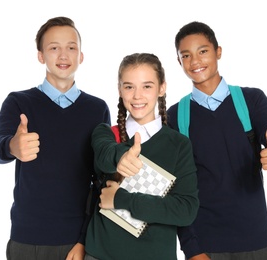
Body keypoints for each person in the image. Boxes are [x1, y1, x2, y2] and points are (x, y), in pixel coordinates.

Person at [167, 21, 267, 260]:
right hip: (205, 245)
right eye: (186, 55)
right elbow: (176, 189)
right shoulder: (175, 116)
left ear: (218, 52)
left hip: (255, 240)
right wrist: (191, 248)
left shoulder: (251, 100)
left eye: (203, 51)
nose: (195, 61)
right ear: (179, 61)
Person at [0, 16, 111, 260]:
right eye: (54, 48)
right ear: (41, 56)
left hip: (78, 242)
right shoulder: (18, 102)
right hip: (28, 240)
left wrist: (84, 239)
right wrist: (12, 146)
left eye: (71, 48)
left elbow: (101, 180)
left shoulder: (97, 109)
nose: (63, 55)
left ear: (81, 56)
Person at [84, 53, 199, 260]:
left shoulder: (179, 145)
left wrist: (121, 199)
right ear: (120, 89)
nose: (137, 96)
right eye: (129, 87)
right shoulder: (106, 133)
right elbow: (104, 153)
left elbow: (185, 210)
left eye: (147, 86)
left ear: (161, 88)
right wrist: (121, 156)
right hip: (101, 254)